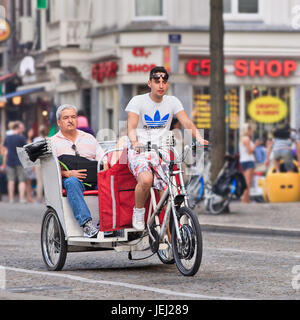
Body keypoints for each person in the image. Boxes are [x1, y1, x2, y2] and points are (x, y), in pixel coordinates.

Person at [125, 66, 208, 231]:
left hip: (162, 152)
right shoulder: (138, 101)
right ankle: (139, 212)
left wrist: (198, 137)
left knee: (172, 191)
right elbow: (131, 126)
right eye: (157, 81)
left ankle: (173, 236)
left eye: (164, 81)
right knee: (146, 180)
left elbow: (186, 122)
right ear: (150, 83)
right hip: (140, 151)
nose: (161, 85)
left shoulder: (173, 101)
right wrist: (135, 142)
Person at [51, 104, 104, 238]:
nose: (70, 120)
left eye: (73, 117)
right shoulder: (53, 142)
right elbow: (49, 169)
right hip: (72, 182)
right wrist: (67, 173)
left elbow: (103, 160)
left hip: (94, 179)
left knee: (109, 182)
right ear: (59, 122)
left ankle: (107, 223)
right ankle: (86, 225)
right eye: (66, 118)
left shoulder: (89, 138)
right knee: (72, 182)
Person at [1, 121, 28, 203]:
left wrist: (4, 163)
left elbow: (5, 151)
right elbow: (26, 149)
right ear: (17, 128)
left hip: (10, 161)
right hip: (20, 161)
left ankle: (11, 199)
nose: (21, 129)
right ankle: (21, 198)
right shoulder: (21, 137)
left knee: (11, 180)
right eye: (20, 128)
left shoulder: (7, 137)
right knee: (22, 180)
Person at [239, 123, 261, 203]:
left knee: (245, 182)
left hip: (243, 161)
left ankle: (246, 200)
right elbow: (250, 151)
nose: (252, 131)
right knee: (248, 183)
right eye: (250, 129)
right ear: (247, 130)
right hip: (249, 161)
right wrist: (256, 144)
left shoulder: (242, 139)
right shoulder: (247, 139)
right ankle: (244, 200)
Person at [33, 124, 48, 203]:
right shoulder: (48, 139)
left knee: (39, 181)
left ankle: (39, 198)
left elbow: (33, 153)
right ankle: (48, 198)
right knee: (47, 180)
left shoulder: (36, 140)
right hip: (46, 162)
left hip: (38, 162)